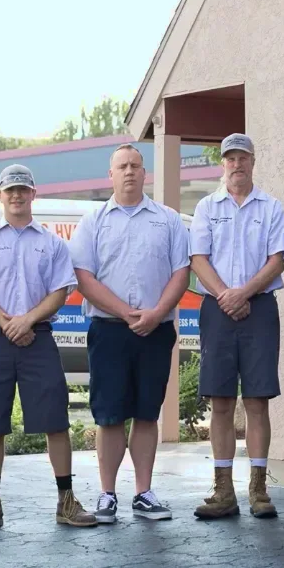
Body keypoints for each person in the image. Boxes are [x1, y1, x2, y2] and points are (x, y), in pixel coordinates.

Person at [0, 164, 98, 530]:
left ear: (34, 194)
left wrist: (27, 321)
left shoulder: (51, 243)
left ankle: (66, 500)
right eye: (10, 190)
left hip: (39, 339)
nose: (16, 195)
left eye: (22, 189)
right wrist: (9, 324)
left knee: (56, 420)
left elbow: (60, 292)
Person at [71, 143, 192, 523]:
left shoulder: (168, 220)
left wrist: (156, 313)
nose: (129, 171)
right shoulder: (93, 222)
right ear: (111, 174)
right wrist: (125, 312)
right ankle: (107, 495)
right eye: (121, 166)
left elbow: (181, 272)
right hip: (109, 330)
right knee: (109, 416)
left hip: (155, 330)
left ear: (144, 173)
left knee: (146, 412)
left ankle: (143, 493)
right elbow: (84, 277)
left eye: (135, 165)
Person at [189, 133, 284, 520]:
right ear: (223, 164)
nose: (236, 164)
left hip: (259, 308)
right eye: (230, 158)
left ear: (253, 161)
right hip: (217, 309)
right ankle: (223, 490)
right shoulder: (206, 207)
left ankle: (259, 489)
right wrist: (226, 295)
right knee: (221, 402)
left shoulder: (271, 207)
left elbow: (276, 260)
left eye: (243, 157)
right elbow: (198, 258)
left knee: (257, 401)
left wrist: (243, 293)